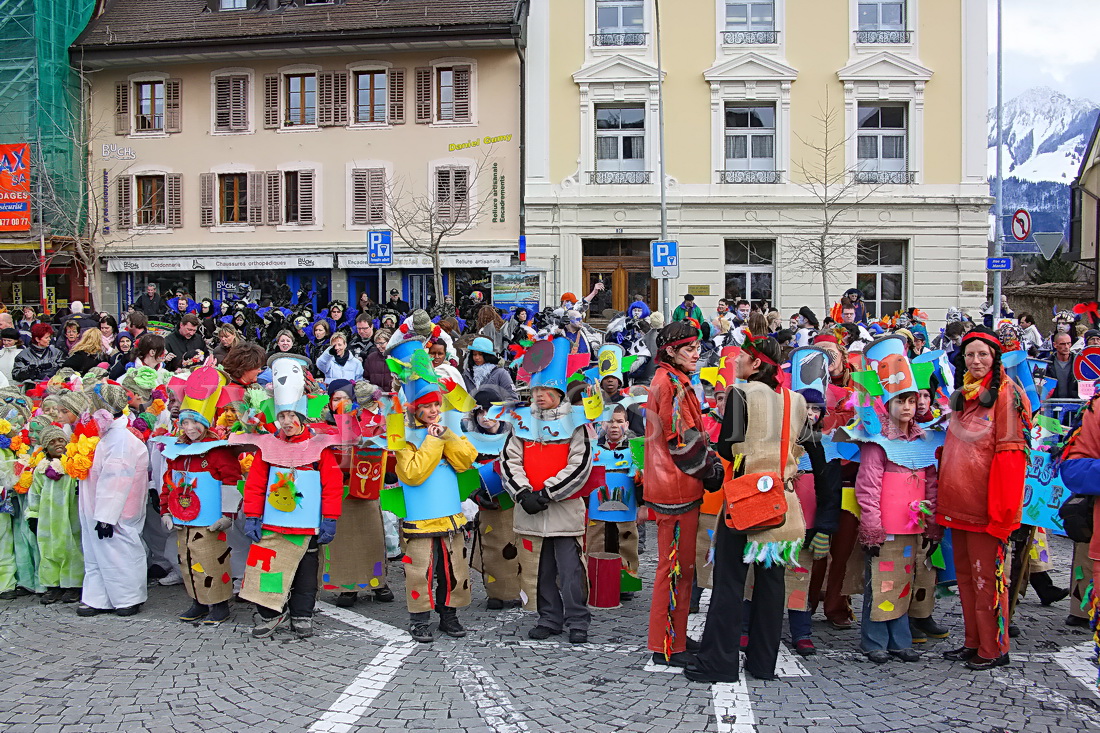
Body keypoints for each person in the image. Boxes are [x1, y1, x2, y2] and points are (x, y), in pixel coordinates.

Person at [685, 334, 808, 684]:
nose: (735, 363)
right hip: (782, 499)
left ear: (755, 364)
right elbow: (807, 442)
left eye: (741, 358)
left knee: (729, 581)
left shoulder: (741, 393)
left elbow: (728, 442)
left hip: (746, 497)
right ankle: (762, 663)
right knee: (771, 582)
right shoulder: (796, 399)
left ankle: (719, 663)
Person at [937, 327, 1030, 670]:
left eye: (983, 355)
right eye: (970, 355)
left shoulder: (1007, 396)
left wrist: (1002, 514)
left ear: (995, 357)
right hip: (957, 505)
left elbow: (1010, 458)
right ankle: (973, 641)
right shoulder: (964, 393)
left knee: (987, 581)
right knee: (965, 578)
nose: (976, 361)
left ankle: (994, 647)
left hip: (985, 509)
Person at [240, 353, 343, 640]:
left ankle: (302, 613)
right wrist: (252, 514)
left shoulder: (319, 447)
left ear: (301, 416)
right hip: (274, 523)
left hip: (306, 525)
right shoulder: (268, 447)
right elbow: (257, 484)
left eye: (291, 416)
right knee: (270, 570)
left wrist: (330, 518)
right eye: (282, 416)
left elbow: (332, 485)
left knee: (306, 573)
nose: (286, 422)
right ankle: (272, 613)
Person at [501, 336, 595, 644]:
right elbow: (509, 460)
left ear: (558, 393)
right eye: (536, 390)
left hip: (563, 510)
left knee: (570, 569)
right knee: (540, 569)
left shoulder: (575, 424)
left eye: (546, 390)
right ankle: (549, 617)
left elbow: (580, 465)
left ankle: (577, 618)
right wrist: (523, 492)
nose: (539, 395)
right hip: (531, 508)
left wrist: (547, 493)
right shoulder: (522, 423)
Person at [850, 338, 939, 664]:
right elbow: (868, 485)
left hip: (912, 525)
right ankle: (874, 640)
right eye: (899, 401)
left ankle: (900, 639)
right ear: (886, 404)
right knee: (882, 580)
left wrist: (932, 521)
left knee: (905, 578)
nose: (906, 407)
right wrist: (871, 524)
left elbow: (931, 481)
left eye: (911, 401)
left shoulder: (923, 439)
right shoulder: (877, 442)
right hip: (885, 525)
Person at [644, 322, 724, 667]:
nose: (696, 354)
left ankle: (674, 636)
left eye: (697, 348)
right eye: (690, 349)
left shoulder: (673, 380)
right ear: (671, 352)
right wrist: (710, 470)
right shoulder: (671, 384)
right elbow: (681, 441)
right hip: (674, 489)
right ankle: (665, 645)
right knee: (674, 568)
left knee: (683, 568)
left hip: (676, 486)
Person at [391, 361, 479, 643]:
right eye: (427, 406)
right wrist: (434, 443)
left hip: (450, 517)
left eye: (436, 406)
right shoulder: (403, 438)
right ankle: (419, 619)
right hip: (420, 520)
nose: (433, 411)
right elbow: (412, 473)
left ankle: (448, 615)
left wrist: (447, 436)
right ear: (415, 408)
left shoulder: (445, 429)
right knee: (419, 571)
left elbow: (466, 460)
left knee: (453, 569)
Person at [159, 373, 242, 626]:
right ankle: (198, 600)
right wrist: (165, 510)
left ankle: (218, 602)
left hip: (210, 520)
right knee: (187, 560)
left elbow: (231, 481)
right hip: (184, 518)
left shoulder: (217, 451)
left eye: (195, 422)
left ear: (205, 424)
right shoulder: (177, 451)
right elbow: (168, 482)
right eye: (185, 423)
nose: (189, 428)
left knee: (211, 559)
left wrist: (227, 515)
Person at [77, 383, 151, 617]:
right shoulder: (109, 434)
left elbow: (116, 479)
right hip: (98, 507)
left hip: (117, 510)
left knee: (120, 551)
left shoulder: (120, 439)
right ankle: (98, 597)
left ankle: (128, 597)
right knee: (97, 553)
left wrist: (106, 516)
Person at [26, 425, 83, 604]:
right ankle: (52, 585)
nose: (57, 444)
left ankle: (73, 585)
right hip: (47, 519)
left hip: (70, 518)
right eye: (51, 442)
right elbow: (34, 494)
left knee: (72, 550)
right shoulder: (40, 470)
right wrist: (33, 515)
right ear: (45, 447)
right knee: (48, 550)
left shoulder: (72, 466)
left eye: (60, 440)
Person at [1045, 332, 1079, 400]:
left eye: (1068, 343)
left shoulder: (1078, 363)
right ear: (1055, 345)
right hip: (1052, 404)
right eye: (1062, 344)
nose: (1066, 347)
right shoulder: (1046, 364)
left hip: (1075, 405)